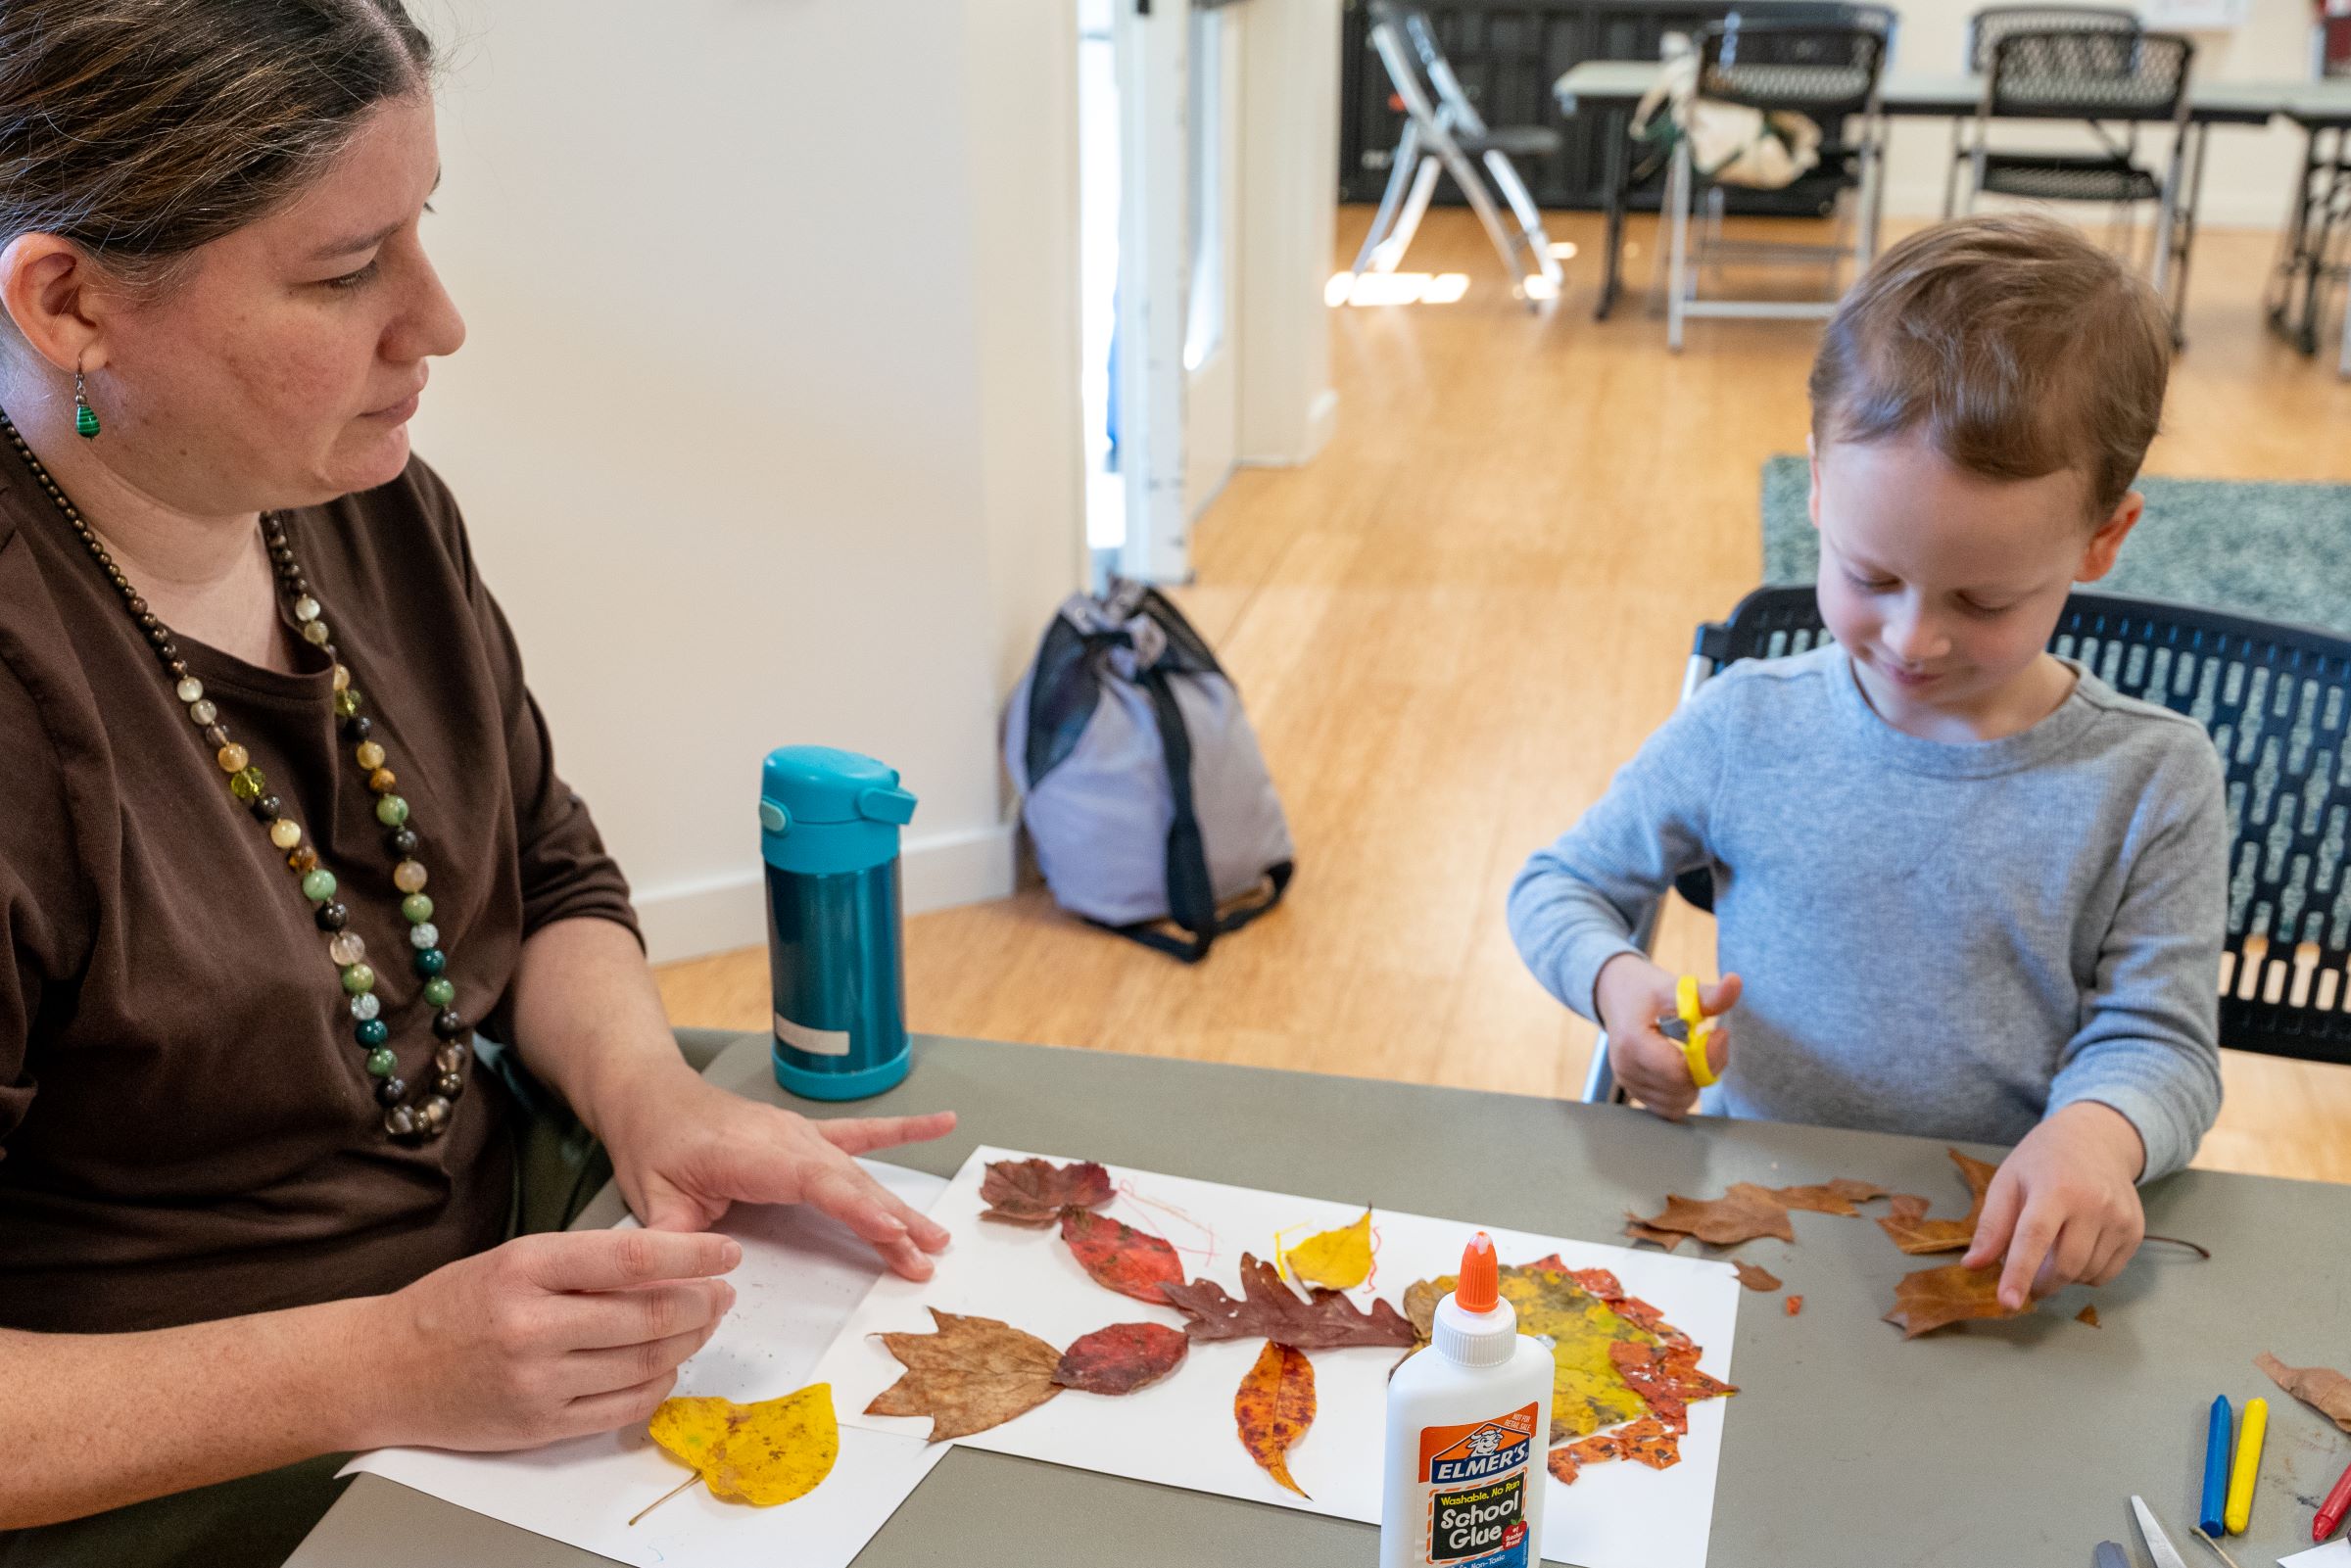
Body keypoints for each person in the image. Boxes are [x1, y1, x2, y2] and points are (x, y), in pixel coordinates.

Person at [0, 3, 954, 1560]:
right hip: (202, 1476)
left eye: (419, 229)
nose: (436, 323)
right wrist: (382, 1366)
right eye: (341, 270)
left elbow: (545, 866)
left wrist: (649, 1095)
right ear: (69, 300)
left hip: (511, 1323)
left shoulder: (354, 497)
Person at [1510, 214, 2227, 1316]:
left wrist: (2101, 1131)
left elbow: (2162, 1038)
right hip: (1762, 1225)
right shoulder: (1749, 721)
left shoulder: (2153, 779)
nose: (1912, 640)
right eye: (1868, 573)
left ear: (2102, 539)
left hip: (1995, 1249)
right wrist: (1619, 985)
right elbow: (1557, 884)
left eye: (1984, 599)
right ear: (1815, 483)